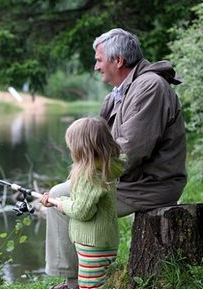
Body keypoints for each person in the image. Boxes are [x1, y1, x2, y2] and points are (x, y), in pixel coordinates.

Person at [41, 28, 187, 289]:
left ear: (117, 60)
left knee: (64, 198)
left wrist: (85, 179)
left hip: (150, 185)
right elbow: (96, 145)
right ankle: (72, 278)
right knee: (62, 192)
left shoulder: (150, 86)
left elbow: (131, 151)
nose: (96, 67)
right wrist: (81, 175)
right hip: (127, 179)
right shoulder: (119, 92)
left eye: (99, 60)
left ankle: (73, 283)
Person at [41, 117, 125, 289]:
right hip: (100, 241)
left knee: (89, 285)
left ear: (81, 148)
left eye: (71, 145)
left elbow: (82, 211)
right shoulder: (105, 166)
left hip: (92, 244)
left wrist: (60, 202)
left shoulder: (91, 175)